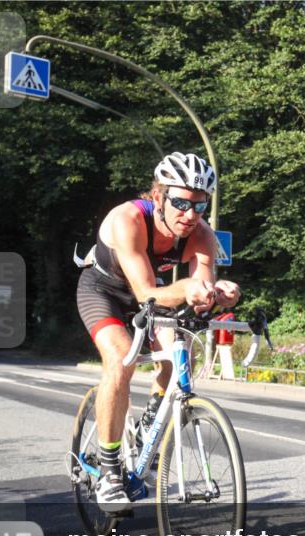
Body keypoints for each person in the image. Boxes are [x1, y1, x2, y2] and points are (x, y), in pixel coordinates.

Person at [76, 152, 240, 512]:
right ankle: (108, 470)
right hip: (104, 292)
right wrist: (189, 289)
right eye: (180, 202)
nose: (190, 214)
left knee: (177, 354)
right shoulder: (128, 219)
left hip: (153, 293)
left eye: (199, 205)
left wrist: (219, 294)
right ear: (158, 196)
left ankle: (147, 427)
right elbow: (145, 293)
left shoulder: (202, 234)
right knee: (121, 359)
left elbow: (201, 294)